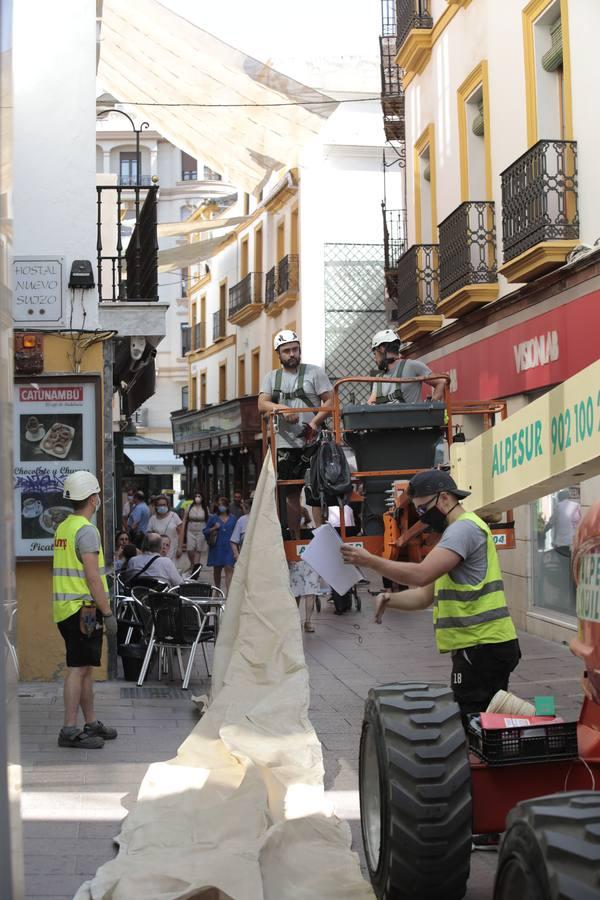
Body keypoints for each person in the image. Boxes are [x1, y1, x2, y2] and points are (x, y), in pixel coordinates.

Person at [340, 468, 520, 723]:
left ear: (445, 498)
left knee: (473, 722)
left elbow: (422, 574)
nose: (423, 517)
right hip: (479, 645)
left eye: (424, 509)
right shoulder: (453, 535)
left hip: (483, 645)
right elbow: (425, 595)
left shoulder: (463, 531)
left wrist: (371, 561)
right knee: (482, 721)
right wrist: (391, 600)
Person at [53, 470, 118, 749]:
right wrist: (108, 612)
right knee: (79, 669)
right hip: (84, 611)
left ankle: (90, 723)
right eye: (98, 496)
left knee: (86, 669)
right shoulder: (87, 530)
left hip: (67, 609)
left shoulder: (63, 527)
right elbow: (93, 577)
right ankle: (69, 730)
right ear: (93, 499)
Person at [258, 330, 333, 536]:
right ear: (278, 354)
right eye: (287, 351)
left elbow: (330, 401)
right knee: (290, 492)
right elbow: (262, 403)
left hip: (313, 441)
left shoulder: (315, 373)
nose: (292, 354)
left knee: (317, 488)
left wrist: (315, 423)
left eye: (295, 349)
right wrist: (281, 409)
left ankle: (321, 535)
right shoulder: (272, 378)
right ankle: (294, 537)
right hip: (285, 443)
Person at [367, 330, 446, 405]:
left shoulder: (412, 366)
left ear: (381, 349)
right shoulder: (378, 379)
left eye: (375, 354)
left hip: (411, 418)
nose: (375, 359)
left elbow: (441, 382)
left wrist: (432, 406)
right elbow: (371, 402)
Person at [203, 497, 236, 592]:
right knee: (217, 570)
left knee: (229, 568)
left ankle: (229, 593)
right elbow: (205, 531)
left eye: (224, 505)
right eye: (220, 504)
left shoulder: (233, 518)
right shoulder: (213, 518)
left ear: (227, 506)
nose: (222, 507)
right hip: (217, 547)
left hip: (229, 547)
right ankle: (218, 590)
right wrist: (213, 528)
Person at [147, 494, 183, 561]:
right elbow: (149, 535)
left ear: (167, 505)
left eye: (164, 505)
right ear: (156, 506)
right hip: (157, 552)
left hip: (172, 551)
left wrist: (180, 547)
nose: (162, 506)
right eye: (160, 505)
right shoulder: (152, 519)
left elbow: (181, 533)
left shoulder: (174, 516)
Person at [183, 491, 209, 569]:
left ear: (202, 498)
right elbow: (185, 518)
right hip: (190, 529)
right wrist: (183, 529)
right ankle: (192, 563)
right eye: (196, 496)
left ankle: (196, 567)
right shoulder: (190, 507)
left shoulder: (205, 508)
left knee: (198, 549)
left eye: (199, 496)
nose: (197, 498)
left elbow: (208, 519)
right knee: (190, 549)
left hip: (201, 529)